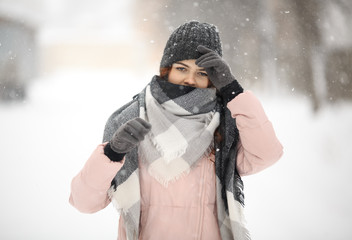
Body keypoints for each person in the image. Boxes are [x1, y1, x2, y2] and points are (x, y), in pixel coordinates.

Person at [69, 20, 283, 240]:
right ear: (166, 69)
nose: (190, 79)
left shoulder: (227, 122)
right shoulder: (131, 119)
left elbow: (266, 154)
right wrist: (112, 153)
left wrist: (233, 91)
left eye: (201, 73)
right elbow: (84, 202)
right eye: (182, 69)